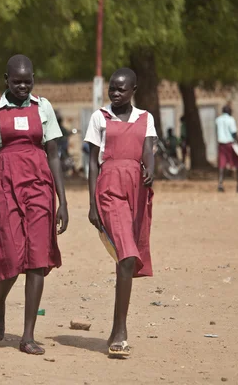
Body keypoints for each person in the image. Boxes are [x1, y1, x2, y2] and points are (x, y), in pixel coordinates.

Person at [0, 55, 68, 356]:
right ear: (6, 79)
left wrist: (62, 200)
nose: (22, 86)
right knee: (10, 257)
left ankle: (27, 335)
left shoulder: (43, 107)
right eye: (16, 81)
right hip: (5, 186)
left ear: (33, 79)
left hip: (39, 187)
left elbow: (54, 155)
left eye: (27, 81)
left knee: (37, 260)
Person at [85, 68, 156, 358]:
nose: (115, 93)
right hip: (110, 188)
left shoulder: (145, 117)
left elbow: (148, 149)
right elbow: (92, 162)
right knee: (127, 256)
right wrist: (91, 203)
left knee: (126, 260)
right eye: (112, 88)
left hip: (137, 191)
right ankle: (121, 330)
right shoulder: (99, 117)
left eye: (121, 89)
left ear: (133, 90)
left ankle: (116, 328)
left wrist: (151, 169)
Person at [215, 105, 238, 192]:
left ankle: (220, 184)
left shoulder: (218, 120)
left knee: (222, 165)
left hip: (221, 144)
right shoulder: (231, 120)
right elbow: (234, 134)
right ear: (229, 112)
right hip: (230, 144)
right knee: (237, 164)